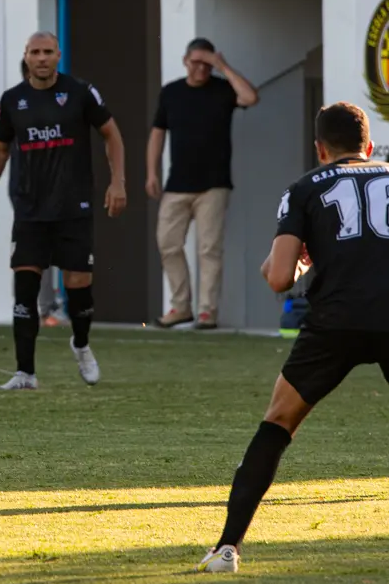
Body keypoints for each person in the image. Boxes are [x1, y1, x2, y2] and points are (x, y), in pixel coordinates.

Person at [198, 102, 389, 573]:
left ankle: (227, 549)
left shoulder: (304, 188)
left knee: (279, 422)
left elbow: (279, 278)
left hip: (336, 322)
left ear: (320, 148)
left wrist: (295, 257)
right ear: (369, 147)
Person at [0, 31, 127, 391]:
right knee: (25, 288)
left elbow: (112, 134)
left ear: (58, 55)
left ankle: (81, 344)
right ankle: (25, 373)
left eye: (47, 52)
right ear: (26, 56)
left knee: (78, 288)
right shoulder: (13, 100)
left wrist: (118, 182)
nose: (41, 58)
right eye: (35, 52)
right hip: (30, 209)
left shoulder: (80, 92)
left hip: (74, 207)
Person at [147, 37, 259, 330]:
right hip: (177, 183)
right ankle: (181, 307)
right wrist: (151, 173)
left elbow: (249, 98)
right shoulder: (171, 92)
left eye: (207, 64)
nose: (201, 69)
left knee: (209, 249)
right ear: (185, 61)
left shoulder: (223, 89)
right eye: (196, 62)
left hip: (214, 184)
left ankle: (207, 311)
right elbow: (157, 133)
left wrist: (223, 66)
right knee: (167, 243)